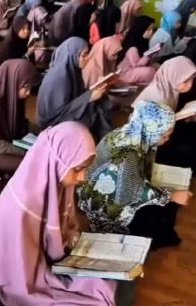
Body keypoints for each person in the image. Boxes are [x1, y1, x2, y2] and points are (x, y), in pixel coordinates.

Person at [0, 122, 130, 306]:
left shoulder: (59, 183)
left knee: (121, 279)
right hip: (22, 278)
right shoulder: (24, 203)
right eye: (77, 169)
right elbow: (22, 272)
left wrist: (77, 250)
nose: (83, 177)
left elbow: (64, 233)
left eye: (85, 169)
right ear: (57, 161)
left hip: (51, 263)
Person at [78, 101, 187, 249]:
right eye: (164, 136)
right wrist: (171, 196)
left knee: (164, 205)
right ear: (151, 131)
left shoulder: (126, 133)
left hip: (98, 191)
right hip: (103, 205)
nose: (167, 139)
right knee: (158, 215)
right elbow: (131, 193)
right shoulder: (128, 155)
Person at [135, 56, 196, 173]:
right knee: (190, 147)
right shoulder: (158, 97)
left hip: (169, 129)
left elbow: (183, 106)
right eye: (185, 81)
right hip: (156, 143)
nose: (189, 85)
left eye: (191, 80)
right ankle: (189, 169)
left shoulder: (170, 87)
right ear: (173, 76)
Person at [37, 37, 112, 141]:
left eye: (87, 54)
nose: (87, 58)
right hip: (54, 121)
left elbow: (77, 96)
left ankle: (107, 142)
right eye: (84, 55)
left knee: (101, 102)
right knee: (93, 113)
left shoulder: (73, 70)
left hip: (68, 112)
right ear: (73, 55)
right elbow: (60, 112)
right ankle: (104, 142)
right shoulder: (59, 78)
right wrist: (89, 97)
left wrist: (96, 89)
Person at [116, 15, 158, 87]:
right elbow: (136, 64)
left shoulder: (142, 41)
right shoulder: (133, 48)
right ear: (141, 29)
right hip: (126, 72)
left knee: (155, 67)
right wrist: (148, 54)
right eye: (149, 30)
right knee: (150, 71)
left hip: (133, 68)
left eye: (153, 30)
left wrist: (153, 52)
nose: (151, 32)